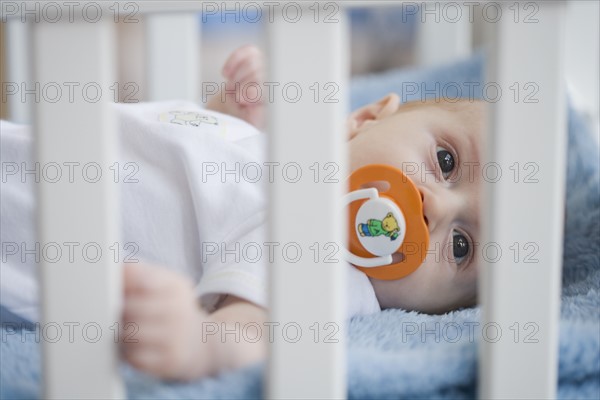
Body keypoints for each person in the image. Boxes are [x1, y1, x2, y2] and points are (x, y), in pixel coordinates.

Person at [0, 45, 483, 381]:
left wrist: (198, 342)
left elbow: (254, 333)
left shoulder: (328, 266)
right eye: (446, 161)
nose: (436, 206)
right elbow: (194, 159)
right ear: (364, 118)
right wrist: (231, 110)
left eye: (461, 246)